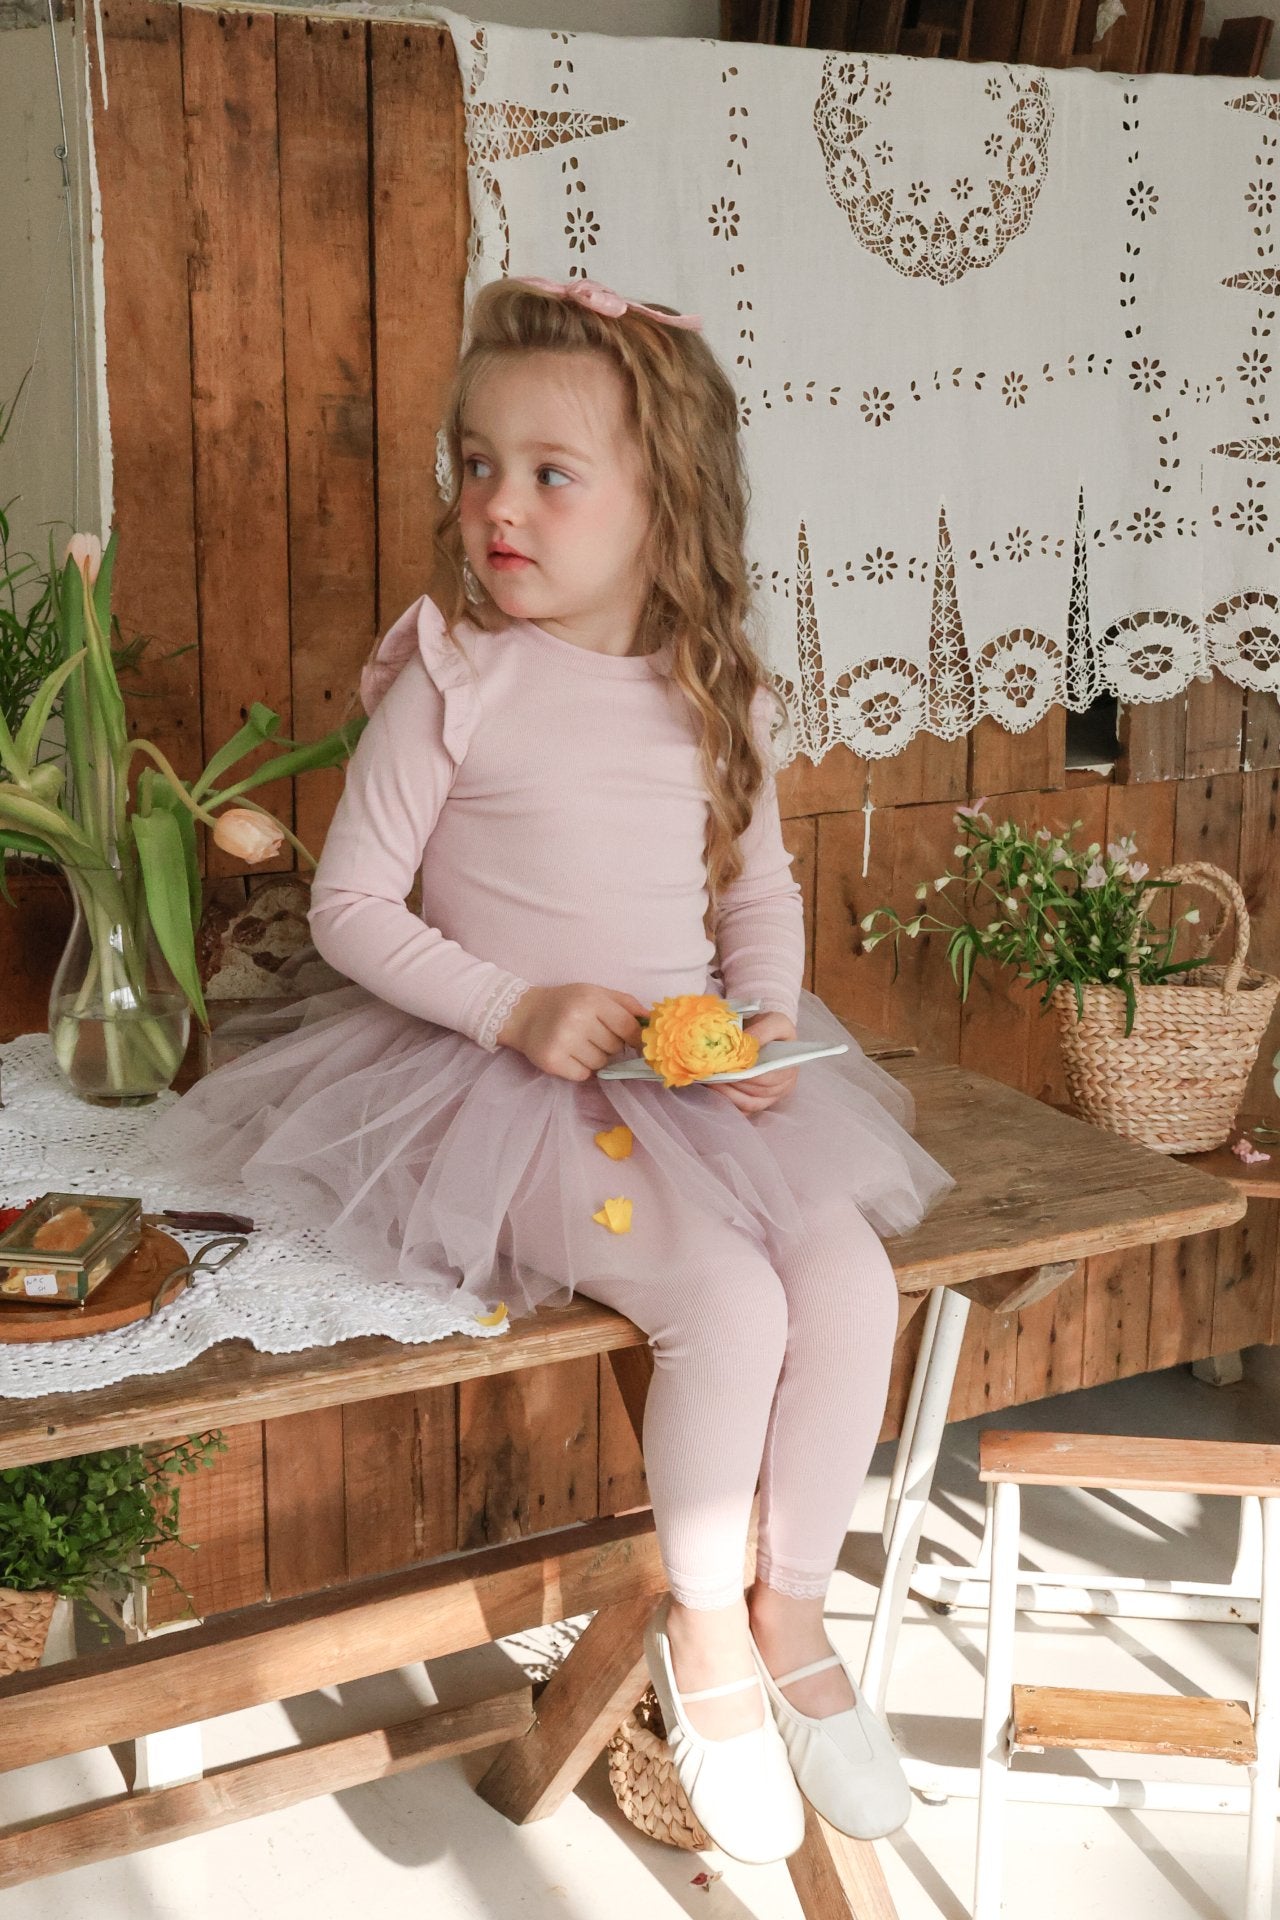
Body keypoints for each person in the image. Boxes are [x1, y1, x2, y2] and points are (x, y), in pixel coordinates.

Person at [164, 275, 954, 1865]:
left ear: (666, 503)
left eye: (548, 473)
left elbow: (755, 892)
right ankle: (706, 1631)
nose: (495, 507)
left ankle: (795, 1608)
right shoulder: (454, 682)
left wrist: (763, 1020)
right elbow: (350, 908)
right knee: (724, 1304)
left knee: (850, 1282)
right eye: (475, 466)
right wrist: (512, 1007)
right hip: (503, 1092)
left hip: (690, 1087)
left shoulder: (715, 687)